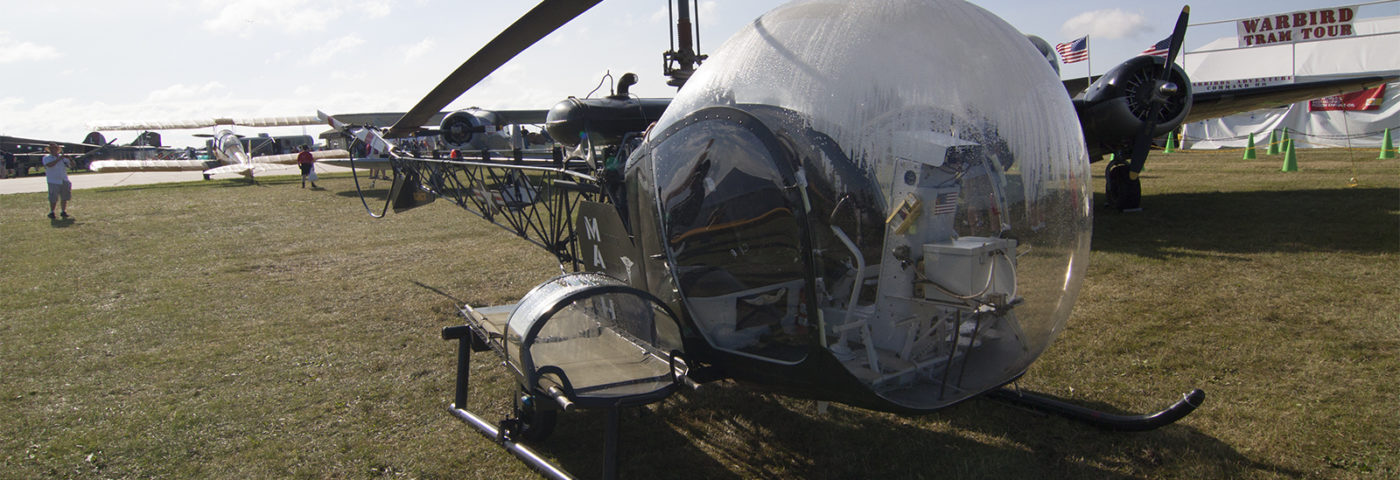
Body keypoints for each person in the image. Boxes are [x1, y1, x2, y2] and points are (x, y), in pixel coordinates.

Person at [42, 143, 73, 219]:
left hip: (64, 179)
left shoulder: (63, 159)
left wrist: (70, 159)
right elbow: (49, 165)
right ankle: (52, 212)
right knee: (53, 197)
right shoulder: (47, 158)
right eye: (52, 149)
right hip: (53, 180)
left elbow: (71, 166)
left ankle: (63, 211)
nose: (53, 150)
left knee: (64, 197)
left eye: (55, 148)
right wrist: (59, 159)